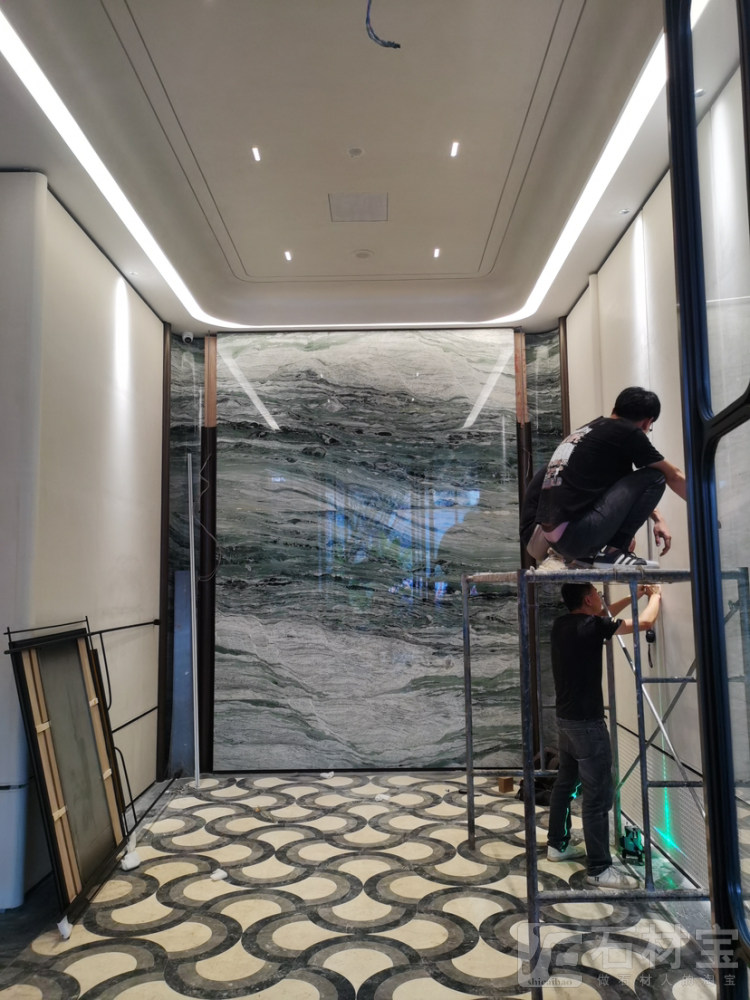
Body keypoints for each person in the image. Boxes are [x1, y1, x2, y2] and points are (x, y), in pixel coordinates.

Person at [546, 580, 661, 889]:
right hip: (587, 725)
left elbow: (603, 614)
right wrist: (656, 596)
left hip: (566, 721)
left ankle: (557, 845)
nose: (600, 597)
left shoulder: (562, 625)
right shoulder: (592, 627)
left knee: (565, 785)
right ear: (587, 599)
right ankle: (599, 869)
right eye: (596, 594)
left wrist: (635, 595)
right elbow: (646, 622)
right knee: (597, 798)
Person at [535, 387, 687, 568]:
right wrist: (705, 508)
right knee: (656, 477)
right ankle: (614, 553)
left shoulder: (588, 430)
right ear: (647, 423)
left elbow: (623, 491)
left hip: (553, 538)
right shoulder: (627, 432)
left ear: (615, 409)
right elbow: (673, 475)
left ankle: (587, 556)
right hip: (575, 535)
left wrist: (658, 518)